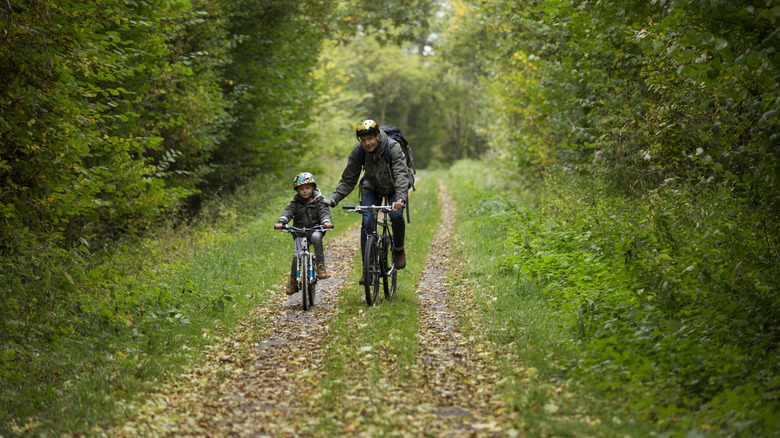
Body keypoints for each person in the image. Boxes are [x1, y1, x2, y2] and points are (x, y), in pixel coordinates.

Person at [325, 119, 410, 284]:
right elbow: (348, 180)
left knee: (396, 216)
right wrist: (333, 199)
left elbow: (401, 175)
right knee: (367, 221)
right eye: (363, 140)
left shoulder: (393, 147)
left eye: (370, 139)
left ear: (378, 136)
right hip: (372, 186)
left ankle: (398, 249)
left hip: (394, 187)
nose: (367, 143)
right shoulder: (359, 152)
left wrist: (400, 199)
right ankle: (367, 268)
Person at [275, 172, 334, 295]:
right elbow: (287, 212)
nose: (305, 191)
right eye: (301, 189)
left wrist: (326, 222)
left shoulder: (319, 200)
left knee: (317, 238)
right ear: (297, 190)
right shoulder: (295, 202)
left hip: (316, 229)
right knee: (297, 255)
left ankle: (320, 264)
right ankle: (293, 281)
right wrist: (281, 222)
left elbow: (324, 213)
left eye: (307, 188)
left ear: (313, 188)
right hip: (299, 231)